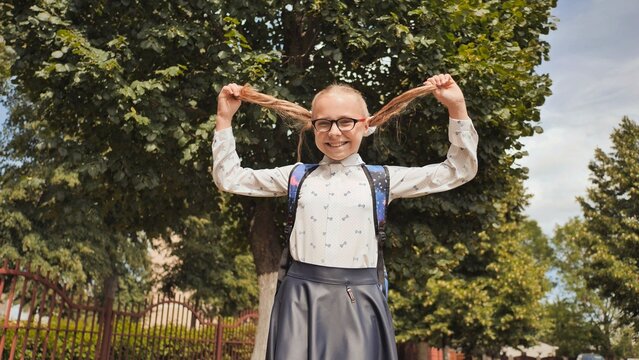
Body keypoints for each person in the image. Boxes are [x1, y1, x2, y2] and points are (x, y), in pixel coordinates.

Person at [212, 74, 478, 360]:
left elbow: (459, 169)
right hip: (298, 300)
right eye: (324, 123)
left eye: (345, 122)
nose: (334, 133)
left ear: (367, 125)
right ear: (313, 126)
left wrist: (457, 108)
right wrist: (224, 119)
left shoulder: (382, 179)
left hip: (358, 303)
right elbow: (230, 178)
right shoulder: (297, 176)